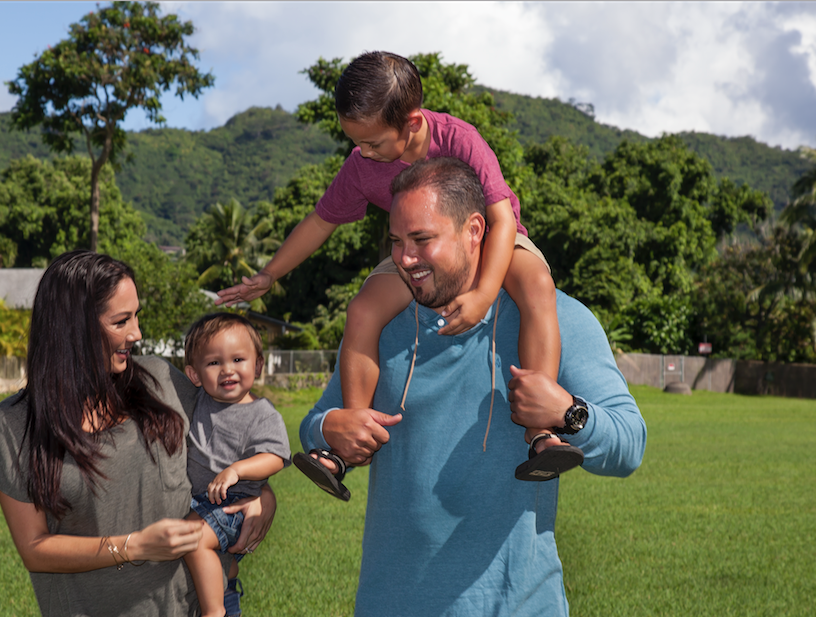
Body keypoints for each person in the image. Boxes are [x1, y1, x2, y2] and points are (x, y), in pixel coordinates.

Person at [299, 158, 647, 617]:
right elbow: (320, 420)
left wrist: (567, 414)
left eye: (423, 240)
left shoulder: (558, 316)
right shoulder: (379, 320)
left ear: (476, 232)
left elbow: (629, 442)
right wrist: (330, 428)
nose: (406, 259)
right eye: (397, 242)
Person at [218, 51, 580, 495]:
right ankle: (351, 435)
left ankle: (541, 433)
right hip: (418, 250)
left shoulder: (460, 140)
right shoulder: (362, 164)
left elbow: (501, 220)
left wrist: (486, 293)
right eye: (357, 142)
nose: (362, 152)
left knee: (537, 284)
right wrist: (269, 274)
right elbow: (320, 221)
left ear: (411, 123)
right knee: (363, 309)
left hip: (490, 239)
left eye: (372, 143)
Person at [0, 250, 275, 617]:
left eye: (135, 316)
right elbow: (35, 548)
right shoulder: (14, 426)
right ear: (72, 327)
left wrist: (263, 495)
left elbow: (241, 433)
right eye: (121, 321)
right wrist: (137, 545)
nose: (137, 333)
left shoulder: (164, 381)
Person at [177, 312, 290, 617]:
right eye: (214, 362)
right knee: (193, 536)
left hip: (233, 504)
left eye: (238, 359)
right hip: (202, 501)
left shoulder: (262, 413)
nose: (227, 370)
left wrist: (237, 469)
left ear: (258, 366)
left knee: (194, 540)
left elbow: (276, 457)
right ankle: (225, 569)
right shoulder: (199, 402)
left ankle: (216, 614)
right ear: (194, 375)